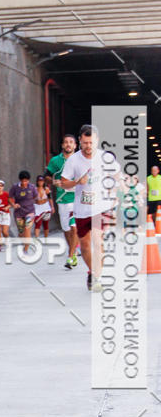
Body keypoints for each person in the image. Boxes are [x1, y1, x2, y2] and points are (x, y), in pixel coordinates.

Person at [61, 123, 120, 292]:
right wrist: (77, 182)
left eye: (91, 142)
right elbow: (64, 183)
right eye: (85, 142)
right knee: (86, 246)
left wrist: (114, 190)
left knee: (98, 241)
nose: (88, 146)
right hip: (82, 209)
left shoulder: (105, 157)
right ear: (80, 141)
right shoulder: (73, 160)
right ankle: (92, 272)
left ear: (97, 140)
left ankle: (97, 278)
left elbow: (117, 175)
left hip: (101, 208)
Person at [45, 134, 79, 270]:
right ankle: (73, 251)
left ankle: (70, 255)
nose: (68, 144)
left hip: (77, 198)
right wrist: (54, 181)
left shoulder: (81, 159)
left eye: (71, 142)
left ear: (75, 145)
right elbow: (46, 176)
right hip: (62, 198)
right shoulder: (55, 161)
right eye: (66, 142)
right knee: (66, 228)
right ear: (62, 145)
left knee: (74, 226)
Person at [9, 171, 37, 250]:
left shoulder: (32, 187)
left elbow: (35, 196)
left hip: (30, 211)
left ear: (29, 180)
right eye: (23, 181)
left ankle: (26, 249)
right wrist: (13, 205)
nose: (24, 183)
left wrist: (29, 202)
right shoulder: (15, 187)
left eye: (26, 181)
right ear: (20, 180)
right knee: (21, 232)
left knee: (27, 229)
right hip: (19, 212)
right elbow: (10, 198)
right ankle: (23, 240)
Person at [33, 175, 52, 239]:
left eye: (42, 181)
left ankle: (46, 238)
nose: (40, 182)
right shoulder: (34, 189)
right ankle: (37, 238)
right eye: (39, 181)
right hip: (37, 207)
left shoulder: (46, 189)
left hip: (45, 207)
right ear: (37, 181)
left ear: (44, 182)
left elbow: (50, 198)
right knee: (37, 222)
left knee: (45, 223)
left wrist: (52, 207)